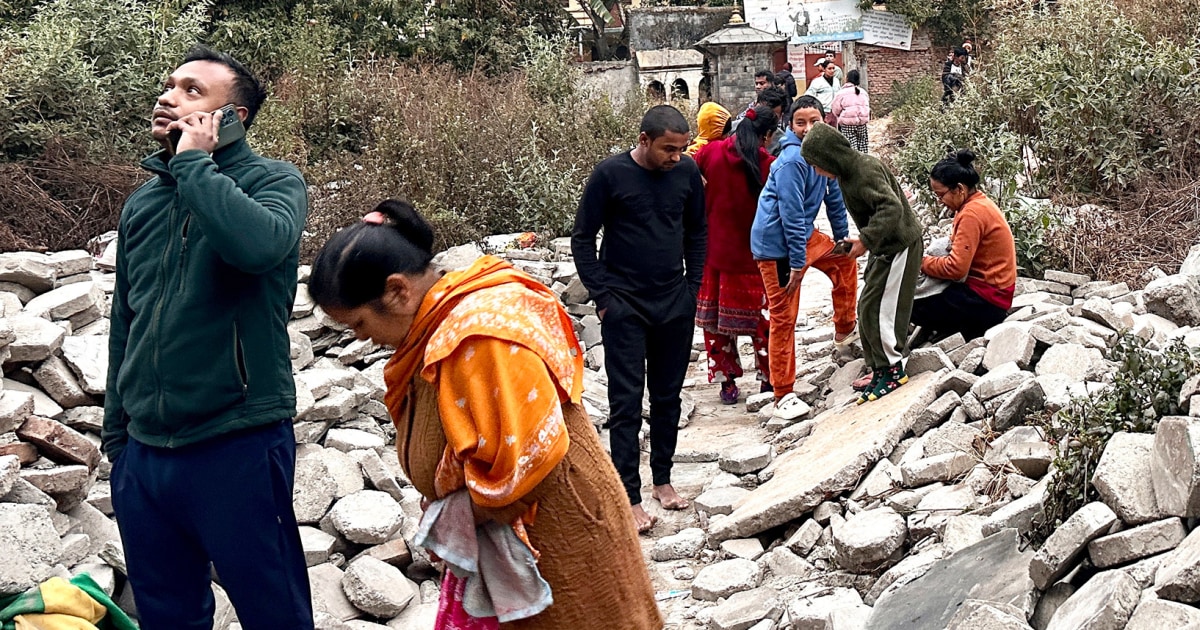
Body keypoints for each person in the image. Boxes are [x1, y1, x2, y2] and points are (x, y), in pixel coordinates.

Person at [308, 200, 662, 629]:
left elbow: (520, 463)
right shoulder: (433, 328)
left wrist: (446, 522)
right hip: (514, 538)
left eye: (360, 324)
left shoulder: (480, 335)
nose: (363, 340)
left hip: (560, 535)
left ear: (399, 291)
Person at [102, 46, 312, 629]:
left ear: (233, 117)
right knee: (167, 616)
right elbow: (127, 317)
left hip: (236, 441)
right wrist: (117, 438)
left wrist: (195, 165)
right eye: (170, 85)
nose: (168, 97)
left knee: (274, 612)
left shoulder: (274, 183)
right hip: (144, 456)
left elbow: (258, 248)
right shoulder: (143, 203)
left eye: (194, 91)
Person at [571, 105, 705, 533]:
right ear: (644, 140)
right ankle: (628, 495)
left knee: (668, 398)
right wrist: (603, 296)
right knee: (626, 403)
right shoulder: (610, 175)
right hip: (625, 307)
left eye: (682, 149)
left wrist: (692, 290)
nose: (675, 157)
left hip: (674, 303)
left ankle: (663, 481)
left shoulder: (685, 174)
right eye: (668, 148)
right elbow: (582, 237)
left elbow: (697, 232)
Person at [752, 96, 858, 420]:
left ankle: (845, 332)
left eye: (815, 121)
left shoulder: (823, 154)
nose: (809, 128)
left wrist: (841, 239)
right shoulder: (792, 161)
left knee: (845, 261)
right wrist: (798, 264)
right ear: (790, 125)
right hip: (776, 246)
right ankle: (782, 393)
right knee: (784, 316)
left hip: (804, 237)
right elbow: (791, 216)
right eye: (801, 123)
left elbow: (835, 199)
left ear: (826, 122)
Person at [801, 122, 923, 404]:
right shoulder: (846, 174)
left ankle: (893, 369)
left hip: (900, 246)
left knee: (884, 309)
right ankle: (879, 366)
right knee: (867, 306)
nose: (817, 172)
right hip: (884, 247)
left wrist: (865, 240)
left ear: (830, 157)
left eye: (817, 165)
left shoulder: (863, 169)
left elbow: (891, 207)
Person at [692, 105, 777, 404]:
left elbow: (687, 175)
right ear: (766, 136)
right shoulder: (766, 162)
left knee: (716, 325)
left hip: (713, 253)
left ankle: (726, 382)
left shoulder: (709, 153)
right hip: (753, 257)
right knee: (762, 323)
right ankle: (768, 378)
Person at [913, 150, 1017, 341]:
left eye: (941, 195)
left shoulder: (972, 214)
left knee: (907, 306)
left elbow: (956, 269)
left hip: (987, 302)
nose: (940, 201)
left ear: (959, 189)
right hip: (994, 294)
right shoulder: (979, 202)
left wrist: (920, 262)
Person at [831, 69, 870, 153]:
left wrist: (840, 117)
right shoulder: (863, 92)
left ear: (847, 79)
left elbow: (835, 109)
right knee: (863, 145)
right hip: (862, 123)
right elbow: (867, 107)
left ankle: (853, 164)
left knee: (851, 146)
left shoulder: (841, 93)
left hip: (847, 124)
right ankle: (863, 163)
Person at [805, 60, 840, 124]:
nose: (832, 71)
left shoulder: (836, 81)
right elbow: (808, 96)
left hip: (834, 113)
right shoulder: (817, 82)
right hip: (823, 112)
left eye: (833, 68)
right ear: (824, 69)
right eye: (829, 69)